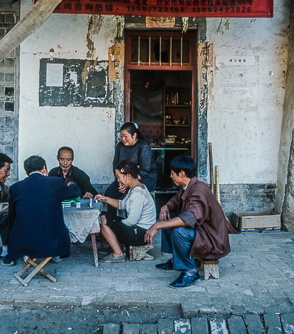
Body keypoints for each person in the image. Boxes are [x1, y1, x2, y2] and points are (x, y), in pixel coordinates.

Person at [144, 155, 230, 288]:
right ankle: (175, 260)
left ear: (182, 174)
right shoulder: (187, 186)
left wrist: (157, 225)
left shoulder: (198, 190)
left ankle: (190, 273)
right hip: (202, 232)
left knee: (180, 231)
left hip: (212, 241)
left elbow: (189, 218)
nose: (171, 176)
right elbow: (175, 200)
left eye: (173, 173)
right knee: (168, 217)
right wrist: (165, 207)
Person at [6, 155, 81, 262]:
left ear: (27, 172)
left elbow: (12, 217)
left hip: (23, 243)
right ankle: (55, 256)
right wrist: (72, 184)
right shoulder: (55, 182)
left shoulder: (16, 187)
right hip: (51, 242)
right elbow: (75, 192)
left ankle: (27, 257)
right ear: (44, 169)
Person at [94, 160, 156, 263]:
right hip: (138, 230)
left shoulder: (138, 194)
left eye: (118, 177)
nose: (118, 180)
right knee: (105, 216)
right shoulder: (134, 188)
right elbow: (122, 205)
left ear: (128, 176)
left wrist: (114, 226)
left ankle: (118, 253)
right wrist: (104, 198)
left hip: (140, 235)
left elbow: (131, 221)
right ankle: (115, 246)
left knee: (104, 220)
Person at [105, 122, 157, 199]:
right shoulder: (120, 146)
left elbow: (144, 171)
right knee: (109, 194)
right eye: (121, 136)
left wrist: (128, 184)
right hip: (124, 179)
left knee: (133, 193)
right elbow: (116, 165)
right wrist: (120, 181)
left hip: (145, 178)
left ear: (134, 135)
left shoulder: (143, 146)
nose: (123, 139)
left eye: (125, 136)